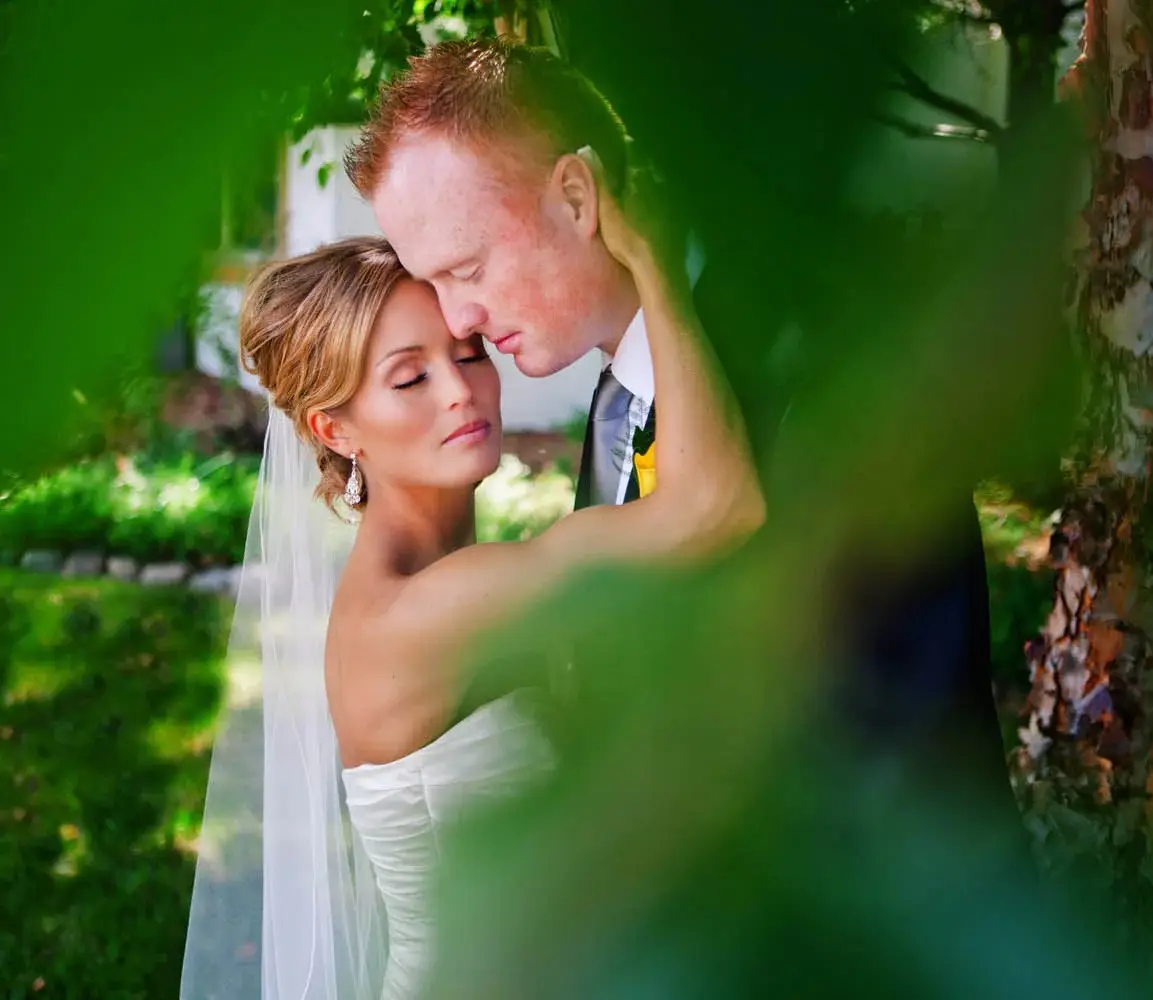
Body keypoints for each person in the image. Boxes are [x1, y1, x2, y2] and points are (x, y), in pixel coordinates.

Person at [344, 37, 1026, 847]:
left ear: (575, 198)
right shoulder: (615, 402)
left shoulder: (818, 383)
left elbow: (910, 753)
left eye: (467, 270)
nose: (460, 323)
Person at [180, 161, 763, 1000]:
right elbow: (717, 507)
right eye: (411, 378)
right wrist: (655, 265)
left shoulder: (433, 577)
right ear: (334, 428)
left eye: (469, 353)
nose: (462, 392)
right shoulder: (425, 610)